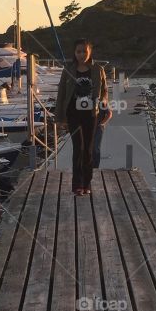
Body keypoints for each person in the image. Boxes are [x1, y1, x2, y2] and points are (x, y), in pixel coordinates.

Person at [54, 39, 109, 195]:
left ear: (89, 52)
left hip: (91, 114)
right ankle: (77, 184)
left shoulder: (98, 69)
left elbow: (104, 91)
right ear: (74, 53)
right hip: (73, 114)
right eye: (78, 51)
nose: (81, 54)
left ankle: (87, 184)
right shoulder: (68, 69)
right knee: (79, 148)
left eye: (84, 51)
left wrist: (106, 106)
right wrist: (59, 118)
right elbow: (61, 94)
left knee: (89, 150)